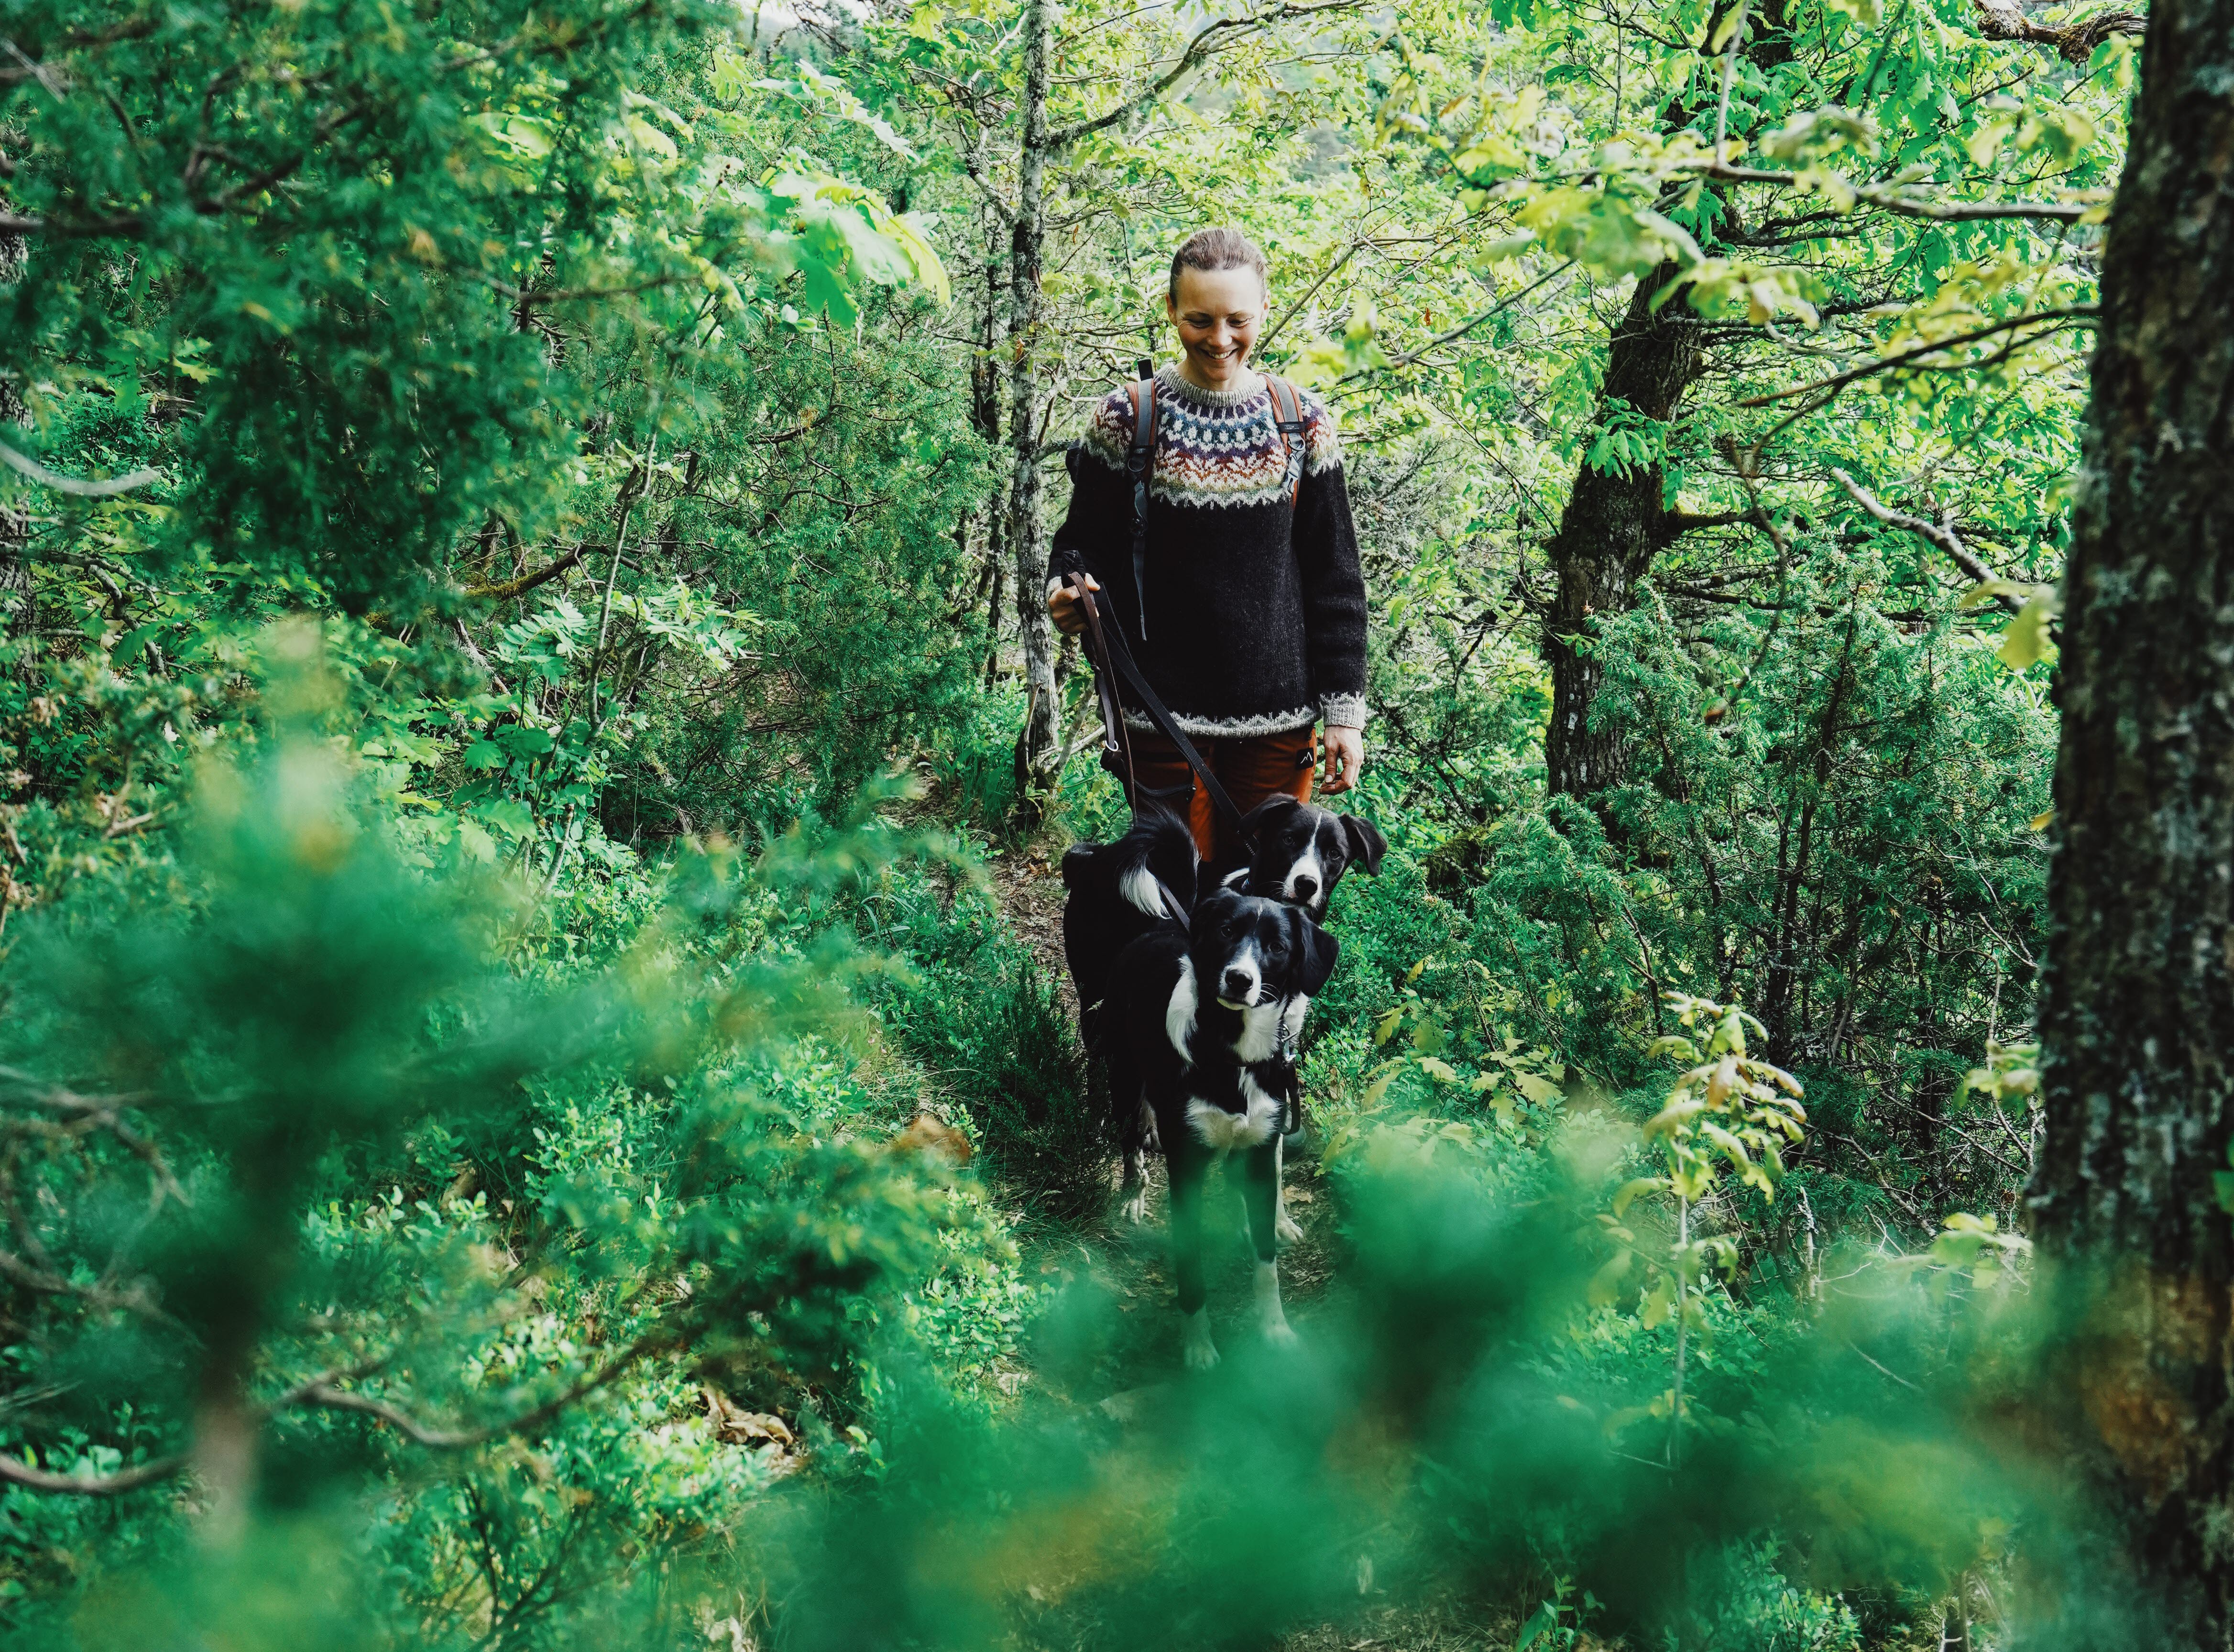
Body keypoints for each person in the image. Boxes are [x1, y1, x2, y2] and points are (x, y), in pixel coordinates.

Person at [1046, 226, 1369, 864]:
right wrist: (1066, 588)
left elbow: (1335, 578)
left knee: (1260, 908)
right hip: (1161, 719)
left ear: (1264, 312)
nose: (1220, 340)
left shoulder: (1301, 422)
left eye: (1237, 321)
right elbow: (1082, 546)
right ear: (1171, 311)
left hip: (1280, 724)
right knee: (1174, 902)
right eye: (1199, 319)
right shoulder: (1128, 418)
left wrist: (1345, 716)